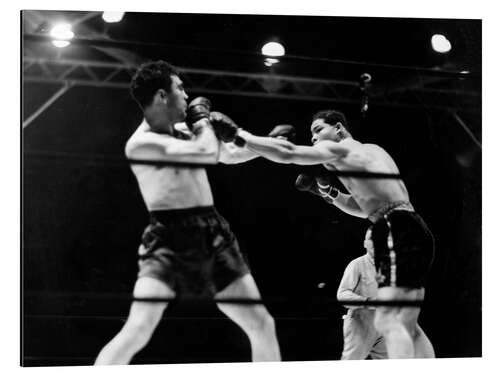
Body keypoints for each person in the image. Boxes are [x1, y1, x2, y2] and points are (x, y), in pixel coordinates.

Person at [94, 60, 289, 365]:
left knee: (262, 324)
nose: (187, 95)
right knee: (138, 328)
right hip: (169, 238)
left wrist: (265, 143)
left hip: (213, 233)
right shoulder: (142, 143)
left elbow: (230, 155)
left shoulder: (186, 130)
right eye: (180, 88)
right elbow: (205, 153)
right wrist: (204, 125)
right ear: (161, 95)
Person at [211, 109, 435, 359]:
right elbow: (366, 207)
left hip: (394, 229)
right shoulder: (374, 150)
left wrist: (239, 135)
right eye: (312, 134)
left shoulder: (341, 150)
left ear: (338, 128)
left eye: (319, 130)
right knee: (409, 325)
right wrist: (331, 195)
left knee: (390, 322)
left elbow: (289, 154)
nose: (314, 138)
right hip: (414, 227)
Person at [336, 228, 387, 360]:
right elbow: (342, 294)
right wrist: (367, 301)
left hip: (384, 322)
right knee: (352, 363)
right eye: (371, 239)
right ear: (365, 243)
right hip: (360, 322)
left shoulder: (389, 267)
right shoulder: (357, 264)